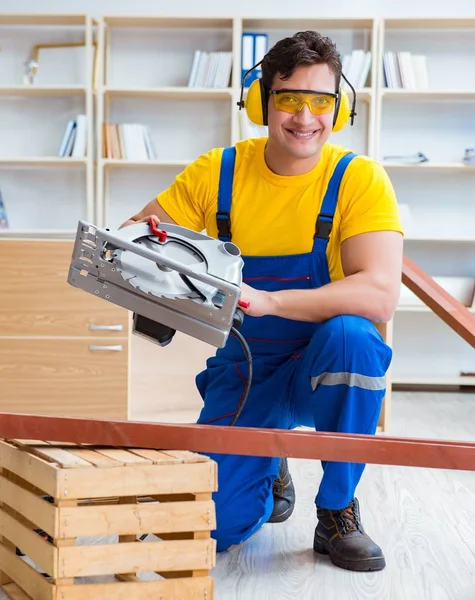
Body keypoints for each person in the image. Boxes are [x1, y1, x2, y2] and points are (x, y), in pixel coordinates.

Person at [121, 30, 404, 572]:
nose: (305, 116)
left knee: (354, 338)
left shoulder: (357, 180)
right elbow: (138, 243)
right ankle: (268, 466)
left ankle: (337, 509)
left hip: (325, 357)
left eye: (320, 100)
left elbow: (379, 294)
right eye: (288, 98)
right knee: (214, 526)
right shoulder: (219, 173)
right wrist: (157, 257)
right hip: (248, 365)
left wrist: (271, 301)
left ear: (339, 110)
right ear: (261, 103)